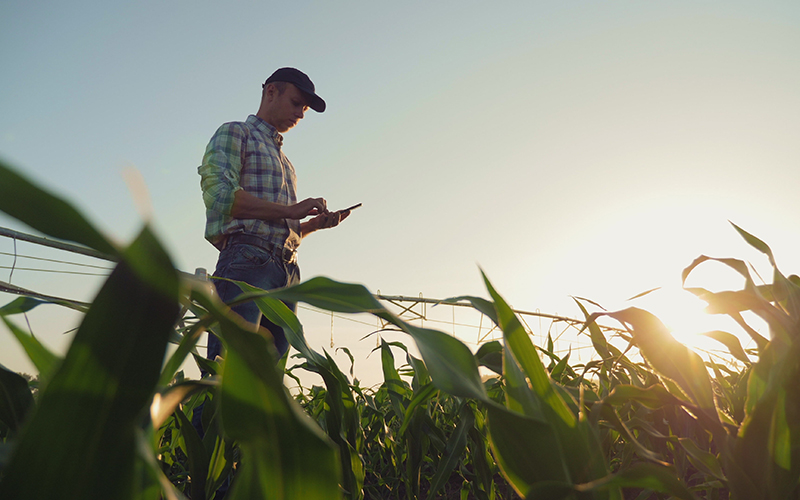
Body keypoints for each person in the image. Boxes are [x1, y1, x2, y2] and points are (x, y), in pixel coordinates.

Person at [198, 67, 350, 362]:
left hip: (287, 270)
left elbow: (276, 225)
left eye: (305, 109)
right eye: (296, 104)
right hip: (247, 263)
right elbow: (218, 195)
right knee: (227, 373)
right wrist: (290, 210)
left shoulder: (286, 163)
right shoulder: (235, 133)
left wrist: (311, 226)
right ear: (271, 92)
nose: (302, 115)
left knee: (267, 387)